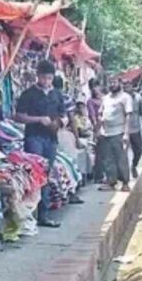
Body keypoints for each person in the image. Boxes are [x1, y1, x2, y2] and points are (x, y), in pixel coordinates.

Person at [14, 60, 65, 228]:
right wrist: (38, 120)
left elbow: (63, 115)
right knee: (35, 174)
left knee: (47, 175)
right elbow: (19, 116)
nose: (46, 81)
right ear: (38, 76)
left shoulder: (56, 95)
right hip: (34, 137)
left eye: (49, 78)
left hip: (51, 138)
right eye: (44, 78)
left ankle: (44, 214)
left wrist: (60, 122)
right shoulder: (29, 94)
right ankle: (31, 213)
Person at [52, 76, 84, 204]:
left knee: (56, 165)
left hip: (49, 134)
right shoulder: (66, 99)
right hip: (63, 134)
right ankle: (71, 194)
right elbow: (72, 120)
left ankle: (61, 196)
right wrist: (76, 138)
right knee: (70, 162)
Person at [98, 78, 132, 192]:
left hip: (119, 132)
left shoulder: (125, 98)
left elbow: (128, 116)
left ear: (120, 83)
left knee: (121, 158)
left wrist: (126, 133)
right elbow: (101, 112)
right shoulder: (106, 98)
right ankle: (111, 181)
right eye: (110, 82)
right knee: (108, 159)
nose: (112, 84)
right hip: (106, 132)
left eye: (114, 82)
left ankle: (125, 182)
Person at [123, 81, 142, 179]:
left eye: (128, 86)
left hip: (136, 127)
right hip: (123, 128)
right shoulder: (121, 98)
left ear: (132, 86)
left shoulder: (138, 97)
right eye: (125, 86)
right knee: (123, 152)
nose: (127, 88)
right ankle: (125, 173)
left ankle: (134, 165)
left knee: (139, 150)